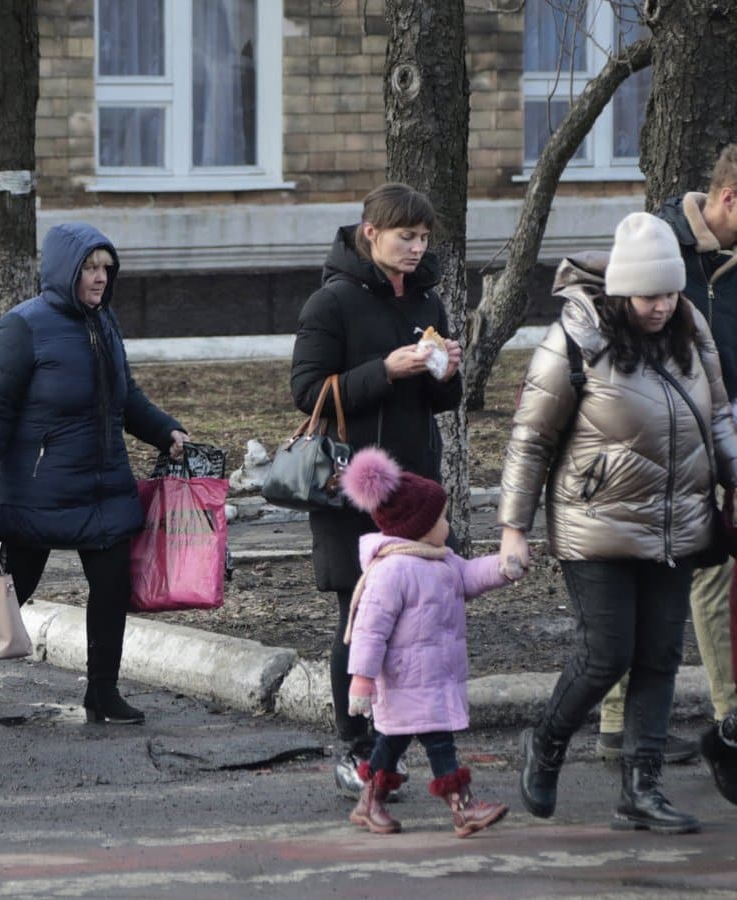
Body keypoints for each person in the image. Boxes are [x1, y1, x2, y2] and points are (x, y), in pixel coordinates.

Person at [500, 212, 737, 834]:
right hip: (595, 524)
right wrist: (513, 528)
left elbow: (718, 418)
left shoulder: (693, 329)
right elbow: (529, 439)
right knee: (606, 654)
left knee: (659, 656)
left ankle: (643, 789)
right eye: (648, 295)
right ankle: (546, 743)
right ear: (621, 290)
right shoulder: (575, 338)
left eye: (669, 293)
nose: (660, 306)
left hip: (676, 524)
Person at [0, 222, 188, 724]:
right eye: (90, 267)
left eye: (107, 268)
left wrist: (166, 431)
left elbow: (126, 397)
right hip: (37, 490)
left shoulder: (104, 322)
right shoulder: (23, 325)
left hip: (103, 487)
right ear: (66, 270)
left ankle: (102, 693)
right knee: (12, 592)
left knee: (111, 588)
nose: (101, 277)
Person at [290, 183, 463, 797]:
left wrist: (446, 370)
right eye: (404, 237)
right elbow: (307, 392)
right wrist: (384, 371)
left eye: (422, 238)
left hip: (411, 490)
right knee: (358, 617)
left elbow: (443, 402)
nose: (416, 249)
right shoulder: (330, 303)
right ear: (371, 233)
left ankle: (391, 745)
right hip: (349, 487)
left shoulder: (428, 302)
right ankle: (354, 746)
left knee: (412, 620)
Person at [599, 145, 737, 766]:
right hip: (650, 442)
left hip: (717, 437)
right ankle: (612, 720)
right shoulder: (656, 244)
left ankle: (729, 714)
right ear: (730, 198)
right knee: (641, 578)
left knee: (714, 575)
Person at [341, 447, 515, 837]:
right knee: (438, 741)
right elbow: (370, 629)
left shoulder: (440, 560)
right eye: (440, 518)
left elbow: (470, 576)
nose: (446, 524)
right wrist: (362, 680)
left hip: (433, 677)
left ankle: (370, 802)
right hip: (406, 679)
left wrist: (505, 568)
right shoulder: (393, 570)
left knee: (393, 743)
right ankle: (462, 808)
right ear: (415, 525)